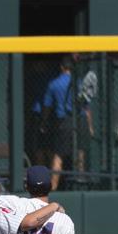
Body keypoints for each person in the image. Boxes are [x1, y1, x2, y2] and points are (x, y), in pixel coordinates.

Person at [33, 56, 75, 191]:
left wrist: (44, 122)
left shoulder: (54, 83)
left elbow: (47, 106)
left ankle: (53, 186)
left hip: (60, 121)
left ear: (62, 67)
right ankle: (79, 181)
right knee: (78, 153)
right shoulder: (77, 82)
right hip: (75, 121)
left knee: (57, 155)